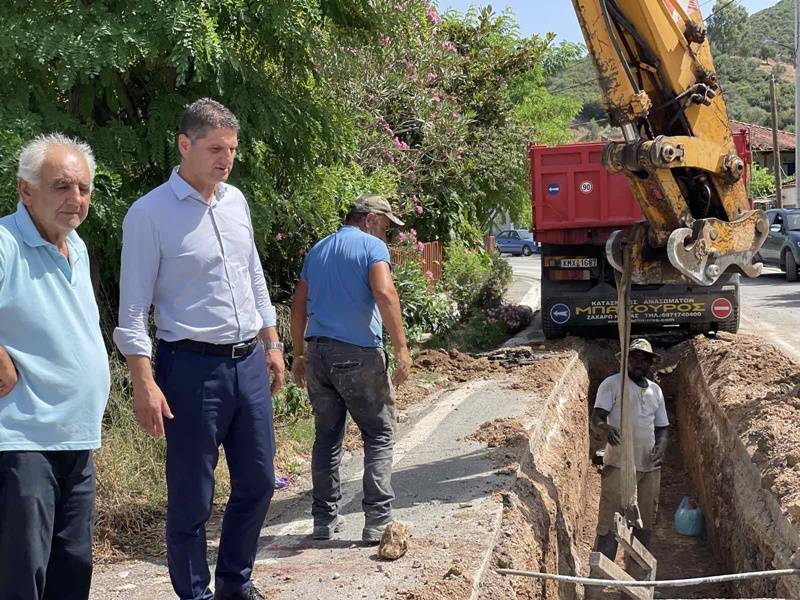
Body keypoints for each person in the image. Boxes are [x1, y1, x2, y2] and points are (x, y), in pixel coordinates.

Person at [113, 98, 284, 600]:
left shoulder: (236, 202)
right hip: (188, 369)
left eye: (231, 149)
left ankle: (236, 581)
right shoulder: (149, 215)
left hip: (248, 362)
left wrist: (272, 341)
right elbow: (132, 310)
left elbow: (253, 275)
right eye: (215, 149)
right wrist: (143, 381)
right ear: (185, 145)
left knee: (257, 482)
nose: (225, 159)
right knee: (192, 498)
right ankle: (195, 593)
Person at [0, 133, 111, 600]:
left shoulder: (77, 246)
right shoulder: (6, 241)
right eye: (62, 186)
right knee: (22, 574)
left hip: (75, 437)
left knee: (72, 568)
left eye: (83, 188)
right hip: (22, 441)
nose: (76, 199)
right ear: (26, 190)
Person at [290, 193, 411, 544]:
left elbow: (298, 304)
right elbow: (384, 293)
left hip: (319, 355)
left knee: (327, 437)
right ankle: (377, 520)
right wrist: (401, 348)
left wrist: (299, 354)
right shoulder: (372, 249)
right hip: (358, 353)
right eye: (385, 226)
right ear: (370, 219)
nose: (385, 234)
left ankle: (324, 521)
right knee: (379, 434)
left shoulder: (319, 249)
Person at [591, 338, 669, 562]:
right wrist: (606, 428)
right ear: (624, 360)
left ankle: (637, 586)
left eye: (644, 359)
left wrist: (661, 448)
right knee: (609, 525)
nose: (639, 363)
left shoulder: (656, 391)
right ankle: (598, 586)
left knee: (644, 526)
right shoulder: (612, 384)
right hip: (619, 465)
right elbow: (597, 417)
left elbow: (663, 427)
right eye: (634, 357)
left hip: (649, 468)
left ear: (650, 364)